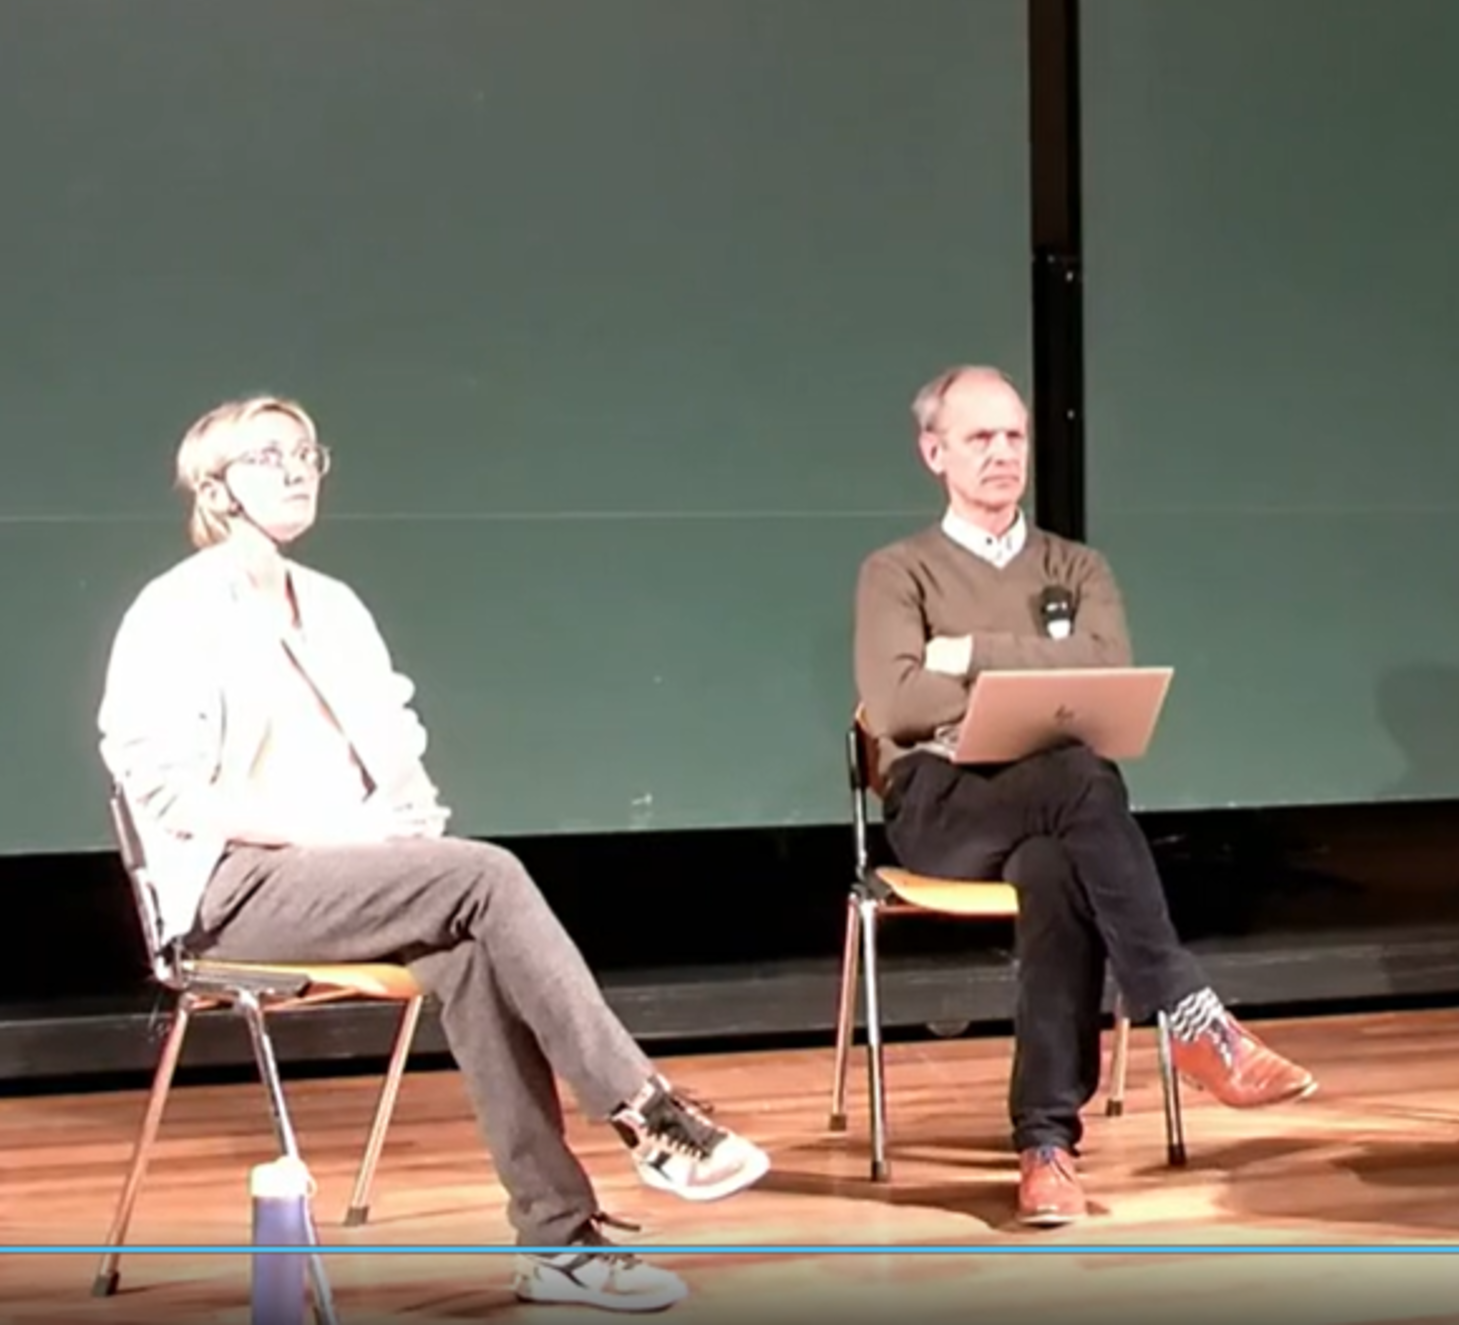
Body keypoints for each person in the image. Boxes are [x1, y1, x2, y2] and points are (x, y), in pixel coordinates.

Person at [97, 395, 770, 1312]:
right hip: (231, 889)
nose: (296, 470)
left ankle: (559, 1244)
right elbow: (165, 790)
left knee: (471, 952)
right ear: (215, 489)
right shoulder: (174, 610)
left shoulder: (333, 605)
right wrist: (333, 833)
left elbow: (394, 743)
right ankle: (649, 1114)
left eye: (307, 452)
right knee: (485, 874)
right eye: (269, 456)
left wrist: (408, 822)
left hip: (348, 876)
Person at [852, 364, 1317, 1228]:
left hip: (1054, 811)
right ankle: (1188, 1014)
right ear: (933, 452)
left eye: (1014, 436)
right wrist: (1031, 666)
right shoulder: (897, 571)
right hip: (944, 804)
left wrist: (966, 654)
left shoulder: (1077, 566)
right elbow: (898, 704)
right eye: (979, 437)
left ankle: (1045, 1146)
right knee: (1081, 778)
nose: (1002, 453)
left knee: (1059, 860)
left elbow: (1107, 667)